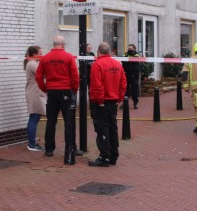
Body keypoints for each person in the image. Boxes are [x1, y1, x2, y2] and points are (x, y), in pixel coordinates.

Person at [35, 35, 80, 164]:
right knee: (69, 122)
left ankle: (49, 149)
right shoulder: (68, 57)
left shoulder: (45, 58)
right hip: (66, 91)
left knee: (51, 121)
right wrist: (74, 90)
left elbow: (38, 76)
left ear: (53, 44)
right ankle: (71, 148)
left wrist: (45, 89)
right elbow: (75, 76)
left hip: (52, 92)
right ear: (63, 45)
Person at [88, 42, 127, 167]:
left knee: (102, 128)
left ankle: (104, 156)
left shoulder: (97, 65)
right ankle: (113, 155)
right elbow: (123, 83)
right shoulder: (117, 64)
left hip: (102, 102)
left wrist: (99, 101)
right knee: (112, 128)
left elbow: (97, 85)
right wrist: (119, 99)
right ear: (109, 51)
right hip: (113, 101)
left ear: (98, 52)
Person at [23, 45, 46, 152]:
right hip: (34, 94)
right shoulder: (32, 64)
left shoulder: (34, 63)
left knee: (35, 118)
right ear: (34, 54)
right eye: (40, 53)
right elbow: (43, 74)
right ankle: (31, 143)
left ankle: (32, 142)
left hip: (35, 93)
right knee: (34, 117)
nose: (42, 55)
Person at [123, 44, 141, 109]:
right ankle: (125, 103)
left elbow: (135, 64)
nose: (129, 50)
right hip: (126, 74)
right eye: (129, 48)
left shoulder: (136, 54)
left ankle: (135, 103)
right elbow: (123, 62)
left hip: (134, 75)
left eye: (131, 48)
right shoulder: (125, 54)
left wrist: (128, 63)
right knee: (125, 89)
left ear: (134, 49)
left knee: (134, 90)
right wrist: (129, 63)